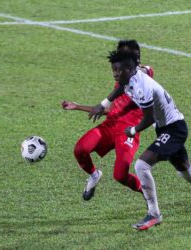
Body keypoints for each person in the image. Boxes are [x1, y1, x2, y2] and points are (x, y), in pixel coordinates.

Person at [89, 50, 191, 230]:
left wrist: (133, 129)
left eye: (119, 70)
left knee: (142, 165)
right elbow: (121, 86)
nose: (115, 74)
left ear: (130, 69)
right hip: (167, 127)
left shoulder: (142, 88)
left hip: (174, 128)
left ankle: (154, 213)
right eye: (113, 70)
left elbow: (148, 118)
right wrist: (104, 104)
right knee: (186, 170)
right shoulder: (132, 75)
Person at [62, 40, 154, 201]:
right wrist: (78, 106)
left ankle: (149, 197)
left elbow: (145, 71)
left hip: (128, 133)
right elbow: (111, 110)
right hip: (110, 126)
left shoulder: (145, 73)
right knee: (80, 149)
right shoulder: (121, 78)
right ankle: (94, 175)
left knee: (120, 175)